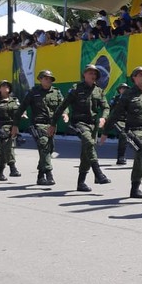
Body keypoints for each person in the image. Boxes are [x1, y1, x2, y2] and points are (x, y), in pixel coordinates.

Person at [104, 66, 142, 199]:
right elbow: (116, 113)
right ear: (134, 78)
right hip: (134, 131)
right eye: (141, 74)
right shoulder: (127, 94)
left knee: (140, 158)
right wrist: (104, 132)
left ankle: (135, 188)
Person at [50, 63, 111, 192]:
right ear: (84, 74)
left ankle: (81, 183)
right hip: (78, 123)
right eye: (90, 73)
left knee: (86, 152)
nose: (93, 75)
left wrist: (103, 117)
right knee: (88, 142)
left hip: (92, 125)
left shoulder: (98, 90)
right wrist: (53, 123)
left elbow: (105, 107)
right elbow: (63, 105)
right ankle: (98, 173)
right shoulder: (76, 88)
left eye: (95, 74)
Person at [16, 69, 65, 185]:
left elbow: (63, 104)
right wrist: (20, 116)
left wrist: (65, 113)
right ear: (40, 79)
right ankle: (49, 174)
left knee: (49, 149)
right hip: (37, 124)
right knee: (44, 146)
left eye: (50, 79)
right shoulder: (33, 92)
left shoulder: (56, 92)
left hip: (51, 125)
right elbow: (23, 105)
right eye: (46, 78)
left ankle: (40, 176)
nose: (48, 81)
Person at [0, 80, 22, 181]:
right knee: (6, 149)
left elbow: (19, 110)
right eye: (3, 85)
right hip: (1, 128)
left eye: (7, 85)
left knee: (8, 149)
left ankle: (5, 171)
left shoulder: (14, 100)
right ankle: (9, 169)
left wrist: (22, 114)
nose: (6, 87)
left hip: (13, 127)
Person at [110, 83, 130, 165]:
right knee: (123, 135)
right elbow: (110, 109)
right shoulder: (115, 99)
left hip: (127, 121)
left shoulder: (130, 99)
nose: (124, 90)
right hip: (117, 120)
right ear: (119, 90)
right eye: (122, 88)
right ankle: (121, 157)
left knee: (127, 138)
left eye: (125, 88)